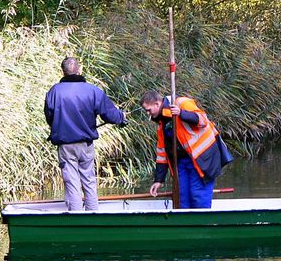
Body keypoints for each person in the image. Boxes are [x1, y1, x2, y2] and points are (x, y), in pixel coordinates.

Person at [44, 57, 127, 211]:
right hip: (86, 144)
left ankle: (76, 218)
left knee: (72, 182)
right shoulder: (92, 90)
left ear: (63, 71)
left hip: (65, 146)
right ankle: (93, 215)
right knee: (89, 180)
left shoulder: (54, 91)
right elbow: (109, 114)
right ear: (79, 69)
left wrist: (58, 127)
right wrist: (121, 117)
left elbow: (49, 117)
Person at [141, 90, 226, 209]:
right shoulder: (162, 123)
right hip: (181, 162)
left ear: (157, 104)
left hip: (202, 159)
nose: (148, 114)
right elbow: (162, 154)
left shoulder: (181, 103)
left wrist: (181, 113)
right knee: (182, 198)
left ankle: (202, 224)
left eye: (148, 110)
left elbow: (203, 120)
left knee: (198, 196)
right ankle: (185, 225)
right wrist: (158, 180)